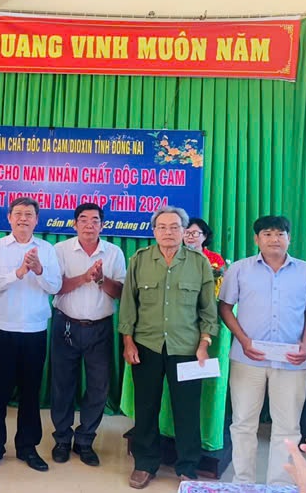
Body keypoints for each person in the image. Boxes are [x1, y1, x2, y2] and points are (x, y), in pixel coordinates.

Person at [218, 215, 306, 485]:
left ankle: (280, 486)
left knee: (288, 428)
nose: (274, 239)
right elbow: (225, 308)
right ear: (257, 239)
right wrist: (243, 340)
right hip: (247, 359)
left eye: (280, 234)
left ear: (289, 238)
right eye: (267, 234)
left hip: (292, 361)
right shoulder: (239, 269)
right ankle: (243, 483)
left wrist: (305, 346)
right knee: (243, 424)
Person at [119, 206, 218, 489]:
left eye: (175, 227)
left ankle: (187, 467)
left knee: (187, 410)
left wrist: (204, 343)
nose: (168, 232)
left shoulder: (199, 263)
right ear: (154, 231)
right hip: (146, 345)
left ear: (184, 231)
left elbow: (208, 310)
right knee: (146, 408)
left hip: (187, 349)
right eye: (162, 227)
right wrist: (128, 342)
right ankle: (144, 464)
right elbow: (128, 304)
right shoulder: (140, 260)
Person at [0, 197, 62, 473]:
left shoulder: (46, 249)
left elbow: (55, 287)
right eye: (18, 214)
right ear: (9, 218)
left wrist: (38, 270)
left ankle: (28, 447)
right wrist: (18, 272)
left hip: (34, 332)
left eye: (29, 214)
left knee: (30, 393)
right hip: (1, 330)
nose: (23, 219)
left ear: (36, 220)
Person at [50, 203, 126, 466]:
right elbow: (54, 288)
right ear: (75, 224)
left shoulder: (114, 252)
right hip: (65, 325)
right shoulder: (60, 250)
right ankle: (62, 439)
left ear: (102, 226)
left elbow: (121, 293)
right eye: (83, 220)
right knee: (62, 385)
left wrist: (102, 279)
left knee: (98, 386)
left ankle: (85, 440)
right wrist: (84, 277)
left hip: (100, 328)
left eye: (95, 220)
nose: (89, 225)